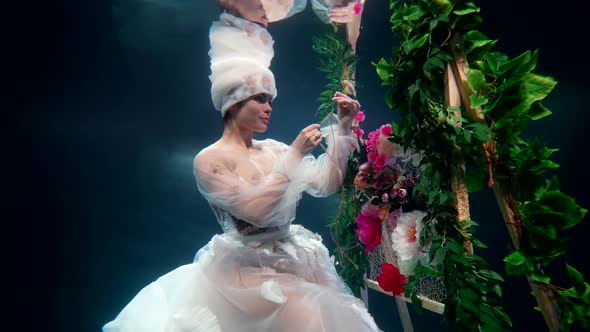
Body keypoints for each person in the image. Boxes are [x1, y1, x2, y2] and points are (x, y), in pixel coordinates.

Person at [103, 7, 381, 332]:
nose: (268, 108)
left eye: (271, 100)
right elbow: (257, 212)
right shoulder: (210, 160)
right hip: (241, 273)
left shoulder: (274, 149)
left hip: (293, 262)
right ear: (234, 103)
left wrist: (342, 130)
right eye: (259, 99)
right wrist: (294, 155)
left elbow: (326, 183)